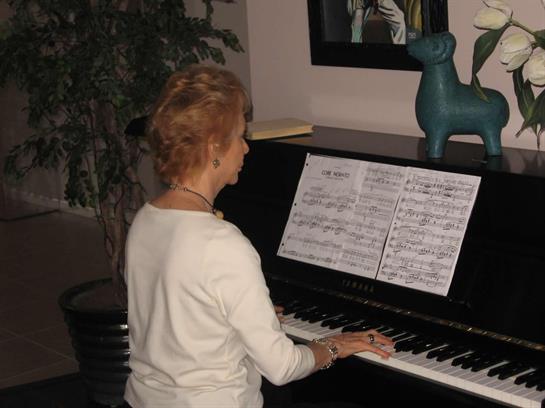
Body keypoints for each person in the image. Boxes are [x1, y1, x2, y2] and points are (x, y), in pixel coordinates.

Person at [123, 64, 393, 408]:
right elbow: (282, 368)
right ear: (212, 148)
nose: (246, 149)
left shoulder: (146, 218)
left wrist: (237, 323)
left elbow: (177, 322)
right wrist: (334, 345)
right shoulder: (222, 243)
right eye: (240, 136)